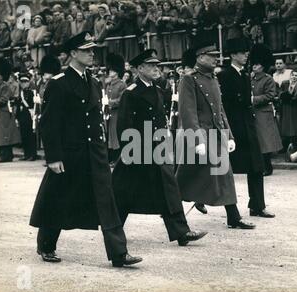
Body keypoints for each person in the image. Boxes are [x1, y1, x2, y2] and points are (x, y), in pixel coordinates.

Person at [29, 32, 142, 268]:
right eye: (87, 50)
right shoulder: (59, 83)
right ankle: (46, 244)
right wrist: (54, 157)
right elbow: (49, 123)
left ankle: (118, 253)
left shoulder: (92, 81)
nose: (92, 54)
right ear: (73, 53)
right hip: (70, 153)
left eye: (93, 50)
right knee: (58, 197)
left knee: (107, 201)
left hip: (94, 152)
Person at [112, 49, 207, 246]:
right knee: (123, 193)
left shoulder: (157, 89)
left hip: (158, 148)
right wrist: (131, 150)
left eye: (157, 65)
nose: (157, 69)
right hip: (138, 149)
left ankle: (181, 231)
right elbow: (124, 126)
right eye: (152, 65)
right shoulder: (131, 93)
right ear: (140, 69)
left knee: (169, 189)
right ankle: (112, 230)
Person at [176, 41, 255, 229]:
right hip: (200, 134)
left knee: (224, 173)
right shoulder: (189, 79)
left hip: (215, 134)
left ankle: (233, 216)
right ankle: (172, 212)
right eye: (211, 56)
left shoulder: (213, 78)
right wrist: (197, 140)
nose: (216, 59)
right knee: (186, 177)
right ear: (200, 57)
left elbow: (220, 111)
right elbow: (188, 112)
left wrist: (228, 136)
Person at [217, 38, 275, 218]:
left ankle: (257, 205)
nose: (246, 55)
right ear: (233, 55)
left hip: (248, 126)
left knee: (257, 166)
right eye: (242, 52)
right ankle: (211, 202)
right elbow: (225, 104)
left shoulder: (245, 75)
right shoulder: (225, 75)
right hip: (234, 128)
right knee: (222, 170)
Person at [250, 44, 283, 176]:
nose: (254, 66)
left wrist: (254, 99)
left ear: (262, 66)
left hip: (263, 112)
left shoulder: (268, 79)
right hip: (254, 113)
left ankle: (267, 167)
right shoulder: (251, 78)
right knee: (257, 141)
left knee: (265, 141)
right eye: (254, 64)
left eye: (257, 65)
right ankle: (260, 165)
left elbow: (270, 95)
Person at [0, 58, 21, 163]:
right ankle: (4, 154)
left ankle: (6, 155)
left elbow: (4, 100)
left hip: (4, 113)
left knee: (5, 135)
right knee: (0, 135)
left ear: (2, 75)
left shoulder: (5, 86)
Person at [104, 53, 126, 166]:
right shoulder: (109, 85)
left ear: (117, 72)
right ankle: (112, 158)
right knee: (110, 138)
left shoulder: (122, 85)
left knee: (116, 137)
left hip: (117, 113)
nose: (110, 72)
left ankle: (117, 158)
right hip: (110, 114)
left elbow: (121, 99)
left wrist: (110, 103)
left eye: (112, 71)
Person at [14, 73, 37, 161]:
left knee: (30, 135)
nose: (24, 84)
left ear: (28, 83)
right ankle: (26, 154)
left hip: (29, 116)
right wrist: (17, 117)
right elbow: (18, 105)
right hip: (22, 116)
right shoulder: (21, 93)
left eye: (25, 82)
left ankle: (32, 154)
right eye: (22, 82)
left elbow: (32, 105)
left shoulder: (31, 93)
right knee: (24, 136)